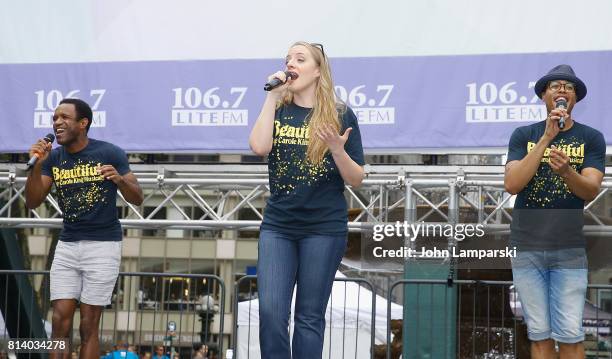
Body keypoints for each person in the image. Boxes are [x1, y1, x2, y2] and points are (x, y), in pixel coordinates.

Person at [249, 41, 365, 358]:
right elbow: (259, 147)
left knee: (309, 318)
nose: (291, 64)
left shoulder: (340, 115)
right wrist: (272, 97)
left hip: (323, 229)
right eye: (288, 59)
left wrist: (338, 150)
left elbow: (356, 178)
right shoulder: (278, 108)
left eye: (300, 59)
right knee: (271, 314)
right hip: (278, 227)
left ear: (317, 71)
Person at [25, 98, 144, 359]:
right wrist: (36, 166)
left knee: (89, 325)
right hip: (67, 245)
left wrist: (120, 180)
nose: (57, 122)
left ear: (83, 123)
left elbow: (137, 197)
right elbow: (33, 201)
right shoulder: (53, 158)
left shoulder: (109, 153)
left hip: (103, 246)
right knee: (59, 323)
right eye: (55, 118)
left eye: (64, 117)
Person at [504, 64, 605, 358]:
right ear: (544, 95)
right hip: (527, 247)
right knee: (539, 335)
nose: (562, 90)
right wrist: (547, 138)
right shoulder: (524, 135)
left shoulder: (592, 138)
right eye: (555, 86)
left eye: (569, 87)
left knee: (571, 336)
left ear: (574, 99)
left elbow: (589, 190)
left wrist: (567, 173)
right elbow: (512, 184)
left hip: (568, 249)